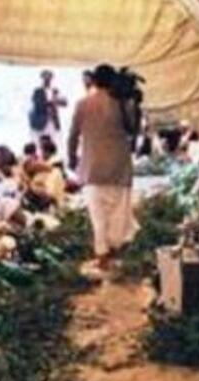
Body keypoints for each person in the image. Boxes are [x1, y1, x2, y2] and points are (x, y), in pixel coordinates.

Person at [68, 64, 139, 271]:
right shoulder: (122, 103)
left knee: (97, 215)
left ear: (94, 81)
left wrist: (72, 158)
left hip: (92, 167)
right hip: (119, 166)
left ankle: (102, 256)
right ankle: (114, 249)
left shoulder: (82, 104)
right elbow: (133, 130)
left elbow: (73, 135)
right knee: (118, 212)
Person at [29, 70, 67, 144]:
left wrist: (56, 102)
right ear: (42, 78)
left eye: (49, 77)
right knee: (39, 142)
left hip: (53, 121)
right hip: (40, 121)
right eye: (45, 77)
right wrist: (51, 102)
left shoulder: (55, 90)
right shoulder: (37, 91)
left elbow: (64, 103)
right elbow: (37, 103)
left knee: (53, 142)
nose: (47, 79)